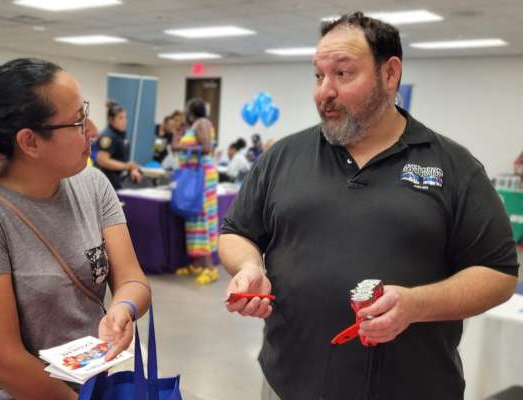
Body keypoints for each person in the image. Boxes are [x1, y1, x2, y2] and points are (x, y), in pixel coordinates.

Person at [219, 12, 519, 400]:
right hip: (289, 383)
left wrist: (417, 305)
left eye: (343, 74)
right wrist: (250, 267)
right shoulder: (283, 157)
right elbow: (237, 232)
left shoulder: (453, 167)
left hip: (412, 389)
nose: (324, 91)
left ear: (390, 74)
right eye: (318, 75)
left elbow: (498, 273)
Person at [0, 58, 151, 399]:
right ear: (30, 141)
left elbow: (132, 280)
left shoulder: (93, 184)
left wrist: (123, 307)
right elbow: (3, 360)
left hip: (87, 382)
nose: (93, 131)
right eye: (78, 121)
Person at [172, 98, 219, 285]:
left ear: (191, 111)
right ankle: (198, 264)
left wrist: (182, 145)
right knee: (193, 217)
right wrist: (177, 134)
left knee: (202, 219)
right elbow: (175, 146)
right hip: (193, 176)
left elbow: (207, 148)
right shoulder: (193, 126)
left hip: (201, 177)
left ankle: (210, 269)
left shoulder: (202, 123)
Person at [93, 100, 142, 189]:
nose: (124, 121)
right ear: (111, 120)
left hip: (118, 179)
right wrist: (126, 166)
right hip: (106, 181)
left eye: (125, 118)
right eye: (120, 118)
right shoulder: (107, 136)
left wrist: (132, 169)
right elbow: (102, 160)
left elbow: (122, 158)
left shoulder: (120, 135)